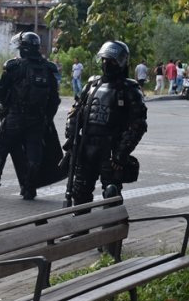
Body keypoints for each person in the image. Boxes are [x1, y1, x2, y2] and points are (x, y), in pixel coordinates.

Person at [62, 41, 147, 205]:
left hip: (110, 150)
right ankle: (80, 230)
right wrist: (72, 138)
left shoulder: (129, 89)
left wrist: (121, 154)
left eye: (112, 60)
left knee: (111, 196)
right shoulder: (93, 84)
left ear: (121, 62)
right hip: (86, 148)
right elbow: (75, 111)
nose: (107, 64)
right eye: (104, 59)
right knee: (79, 194)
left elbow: (138, 125)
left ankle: (113, 230)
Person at [0, 31, 61, 199]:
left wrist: (7, 108)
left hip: (15, 116)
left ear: (23, 48)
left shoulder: (14, 66)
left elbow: (1, 92)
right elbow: (54, 100)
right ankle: (29, 188)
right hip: (38, 119)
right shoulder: (48, 68)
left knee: (0, 149)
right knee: (34, 153)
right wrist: (46, 118)